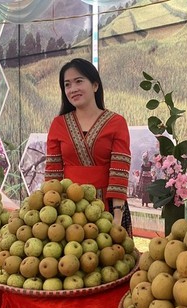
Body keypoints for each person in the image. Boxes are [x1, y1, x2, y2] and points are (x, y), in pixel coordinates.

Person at [45, 58, 132, 236]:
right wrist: (49, 210)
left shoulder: (116, 122)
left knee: (110, 259)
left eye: (79, 81)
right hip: (69, 211)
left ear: (95, 85)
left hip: (108, 209)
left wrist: (116, 215)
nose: (73, 89)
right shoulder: (58, 124)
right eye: (67, 85)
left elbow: (119, 170)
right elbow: (52, 173)